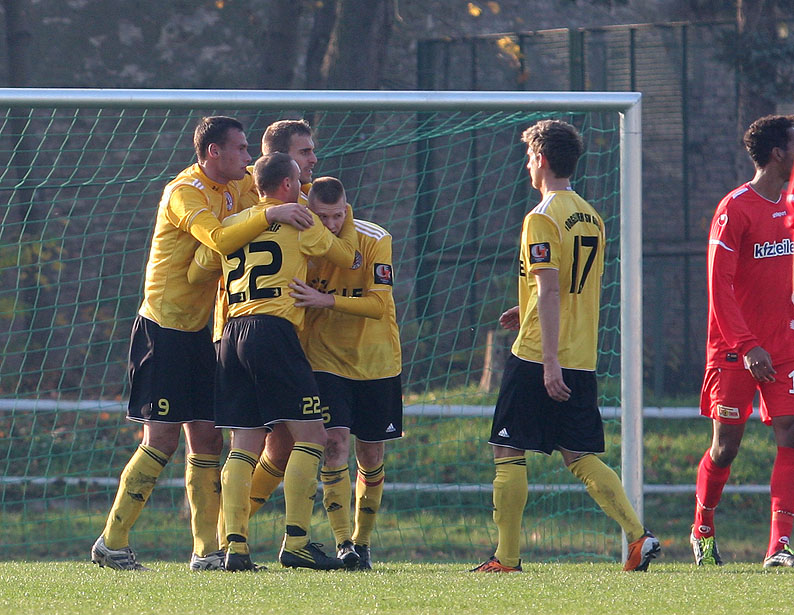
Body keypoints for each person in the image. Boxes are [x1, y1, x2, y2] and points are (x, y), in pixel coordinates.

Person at [90, 116, 312, 572]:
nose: (248, 158)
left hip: (205, 332)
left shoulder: (238, 185)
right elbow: (219, 238)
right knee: (162, 439)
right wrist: (268, 215)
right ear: (214, 152)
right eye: (241, 149)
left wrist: (298, 185)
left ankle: (207, 552)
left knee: (208, 438)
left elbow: (273, 197)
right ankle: (112, 542)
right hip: (164, 328)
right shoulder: (184, 192)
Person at [470, 119, 660, 573]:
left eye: (528, 157)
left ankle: (507, 558)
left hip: (540, 354)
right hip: (582, 353)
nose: (526, 165)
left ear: (541, 159)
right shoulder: (591, 215)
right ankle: (638, 536)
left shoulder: (541, 216)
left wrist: (548, 360)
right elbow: (572, 285)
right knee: (579, 455)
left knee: (507, 449)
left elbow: (552, 287)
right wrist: (526, 306)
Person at [188, 157, 360, 572]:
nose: (303, 187)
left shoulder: (232, 223)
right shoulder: (300, 221)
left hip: (231, 334)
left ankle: (235, 548)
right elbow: (346, 256)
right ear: (286, 184)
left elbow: (197, 270)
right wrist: (342, 215)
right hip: (273, 332)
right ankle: (296, 542)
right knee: (312, 436)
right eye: (300, 181)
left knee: (243, 443)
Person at [691, 114, 794, 568]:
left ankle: (779, 545)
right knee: (726, 446)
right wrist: (748, 345)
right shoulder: (735, 208)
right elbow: (719, 285)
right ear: (777, 153)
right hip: (736, 349)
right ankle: (703, 527)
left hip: (785, 346)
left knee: (790, 432)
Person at [288, 194, 403, 570]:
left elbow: (378, 305)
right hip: (325, 361)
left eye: (338, 216)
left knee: (370, 455)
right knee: (334, 443)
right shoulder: (301, 239)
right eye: (323, 217)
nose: (332, 224)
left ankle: (364, 541)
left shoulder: (375, 239)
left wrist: (326, 301)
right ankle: (344, 544)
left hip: (376, 362)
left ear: (347, 209)